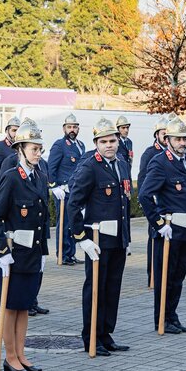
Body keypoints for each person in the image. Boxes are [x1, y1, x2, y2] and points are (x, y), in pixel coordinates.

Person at [67, 118, 133, 356]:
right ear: (95, 143)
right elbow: (74, 203)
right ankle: (91, 337)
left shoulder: (122, 164)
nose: (109, 145)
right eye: (103, 141)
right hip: (97, 241)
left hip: (117, 239)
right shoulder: (89, 166)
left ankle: (106, 334)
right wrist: (80, 237)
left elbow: (124, 202)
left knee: (112, 288)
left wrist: (126, 239)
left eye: (112, 140)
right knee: (95, 288)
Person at [0, 121, 49, 371]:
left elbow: (43, 219)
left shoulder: (41, 176)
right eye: (33, 149)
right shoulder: (12, 177)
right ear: (20, 149)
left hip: (32, 253)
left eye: (39, 149)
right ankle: (10, 357)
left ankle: (21, 353)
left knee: (24, 306)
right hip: (13, 255)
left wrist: (44, 251)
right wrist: (3, 252)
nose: (37, 153)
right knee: (10, 307)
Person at [137, 116, 186, 334]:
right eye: (177, 139)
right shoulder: (160, 162)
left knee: (178, 277)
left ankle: (172, 316)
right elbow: (144, 195)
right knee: (166, 277)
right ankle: (161, 319)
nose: (182, 143)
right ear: (168, 140)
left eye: (184, 139)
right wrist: (159, 222)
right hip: (169, 231)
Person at [48, 113, 86, 266]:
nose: (72, 129)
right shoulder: (59, 145)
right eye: (69, 127)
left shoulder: (81, 145)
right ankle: (63, 254)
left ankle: (71, 254)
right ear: (64, 128)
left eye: (75, 127)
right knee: (63, 223)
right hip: (63, 191)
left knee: (74, 222)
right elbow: (51, 167)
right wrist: (54, 186)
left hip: (76, 191)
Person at [136, 115, 169, 285]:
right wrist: (145, 200)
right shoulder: (150, 153)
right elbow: (142, 178)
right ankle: (153, 276)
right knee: (155, 239)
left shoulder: (172, 153)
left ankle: (164, 276)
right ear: (157, 135)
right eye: (163, 134)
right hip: (154, 203)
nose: (166, 137)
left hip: (168, 203)